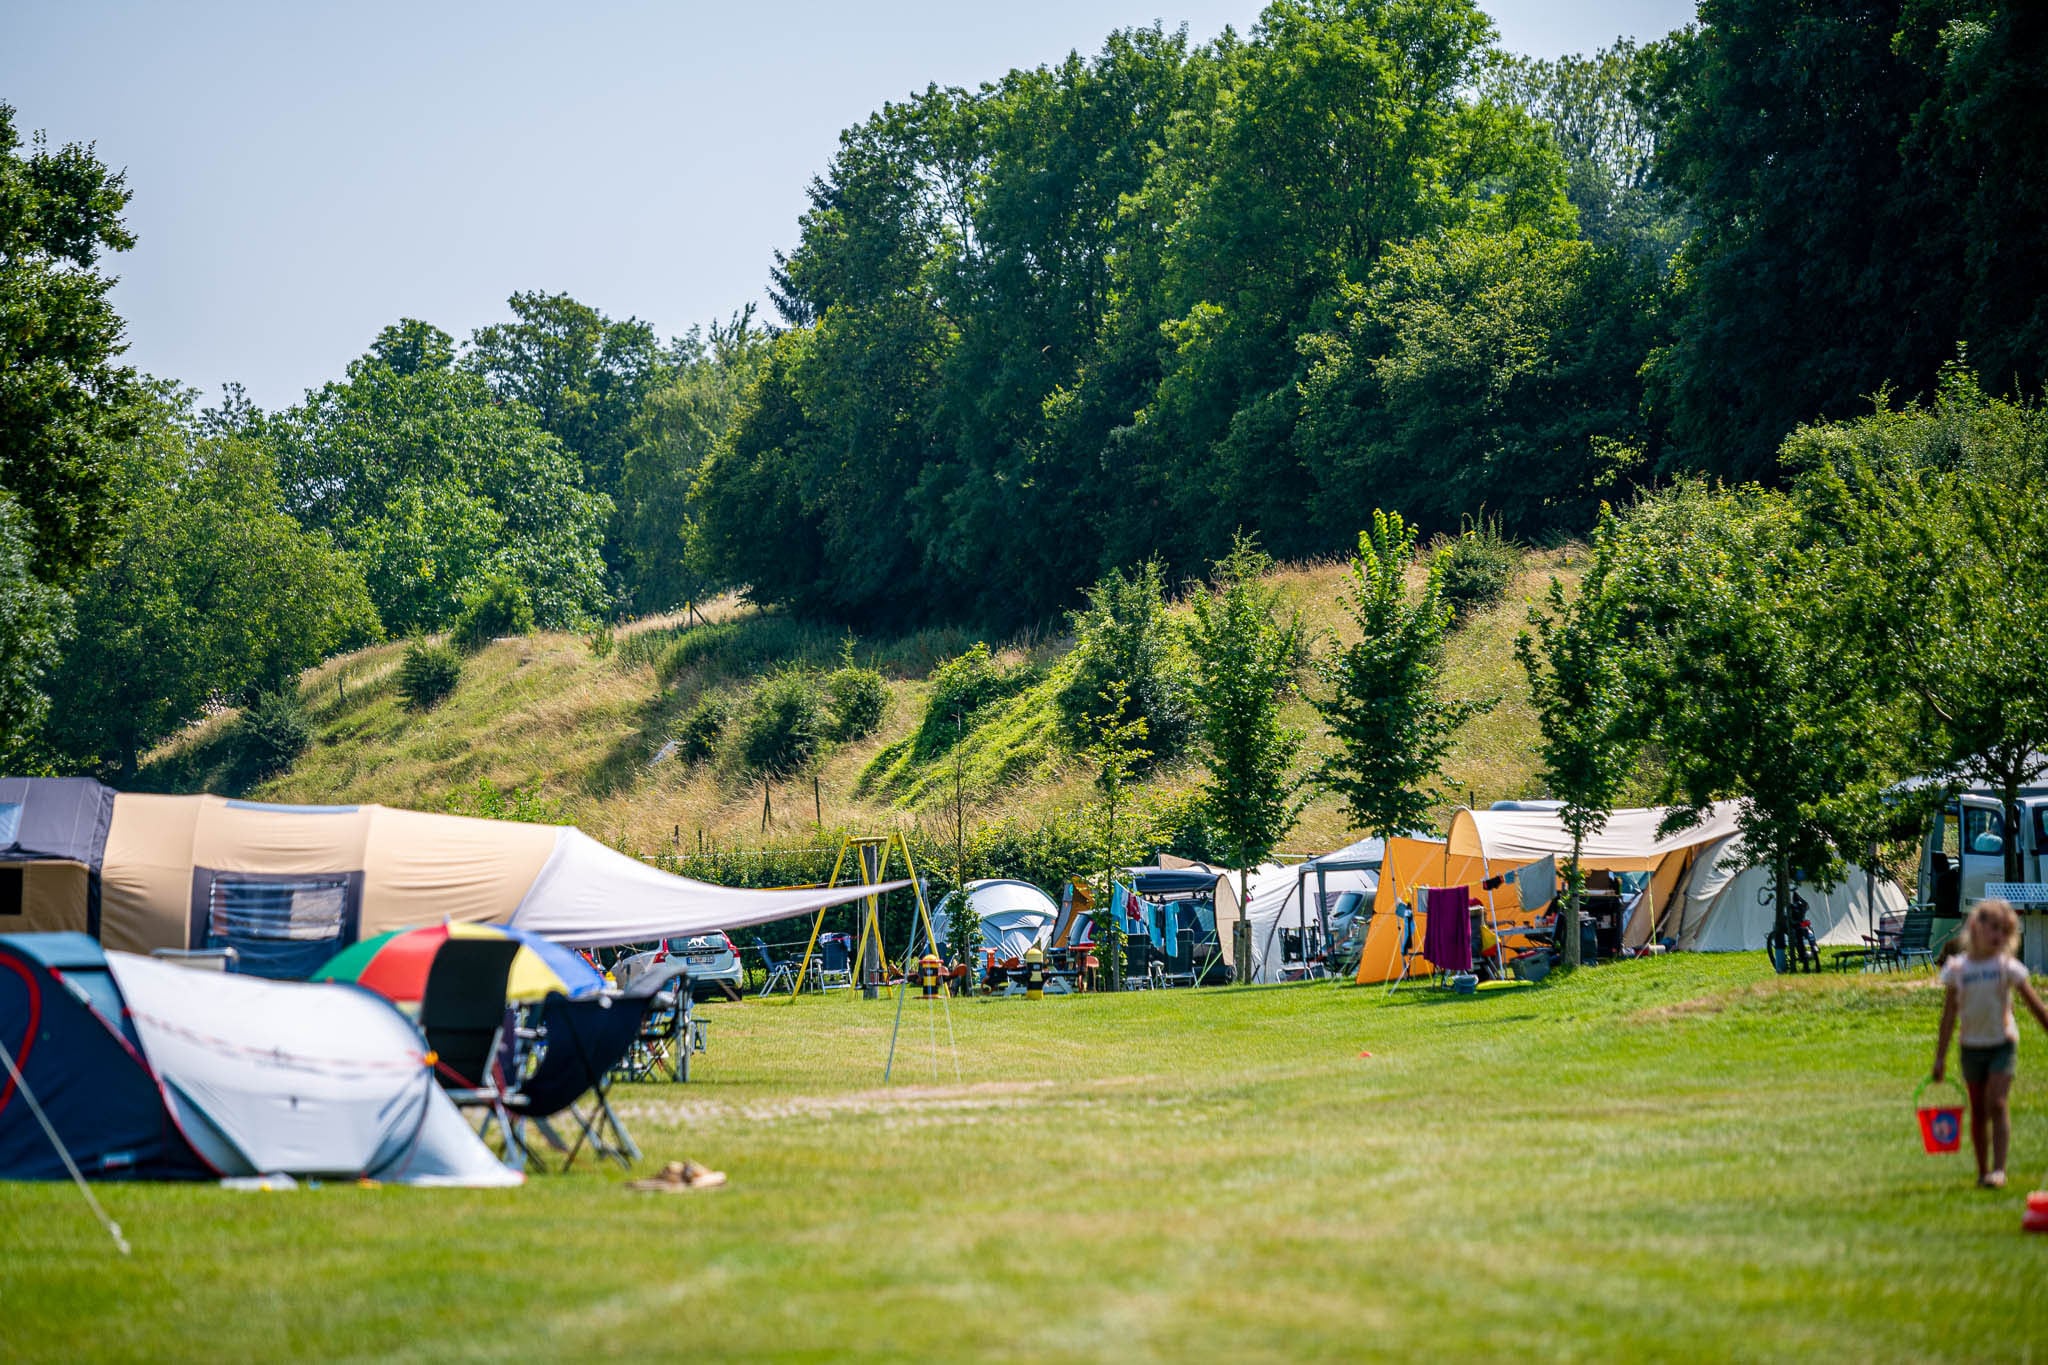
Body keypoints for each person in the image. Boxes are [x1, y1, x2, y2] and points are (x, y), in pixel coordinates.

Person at [1932, 899, 2048, 1188]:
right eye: (1994, 928)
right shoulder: (1958, 969)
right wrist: (1940, 1058)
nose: (1999, 935)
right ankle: (1983, 1171)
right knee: (1978, 1111)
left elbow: (2035, 1006)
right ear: (1975, 927)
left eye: (2004, 931)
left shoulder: (2007, 967)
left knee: (1996, 1103)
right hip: (1971, 1048)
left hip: (2001, 1044)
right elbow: (1948, 1017)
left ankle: (1999, 1170)